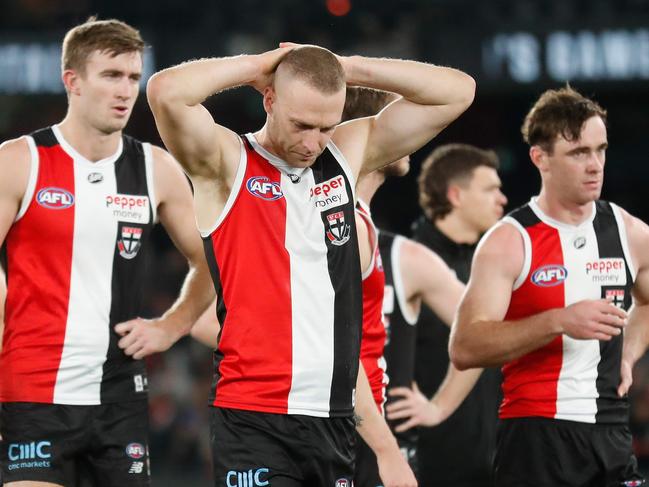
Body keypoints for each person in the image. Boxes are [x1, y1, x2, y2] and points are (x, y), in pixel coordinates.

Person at [147, 42, 475, 486]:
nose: (312, 143)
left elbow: (458, 91)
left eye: (326, 127)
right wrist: (258, 65)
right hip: (255, 416)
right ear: (270, 99)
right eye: (301, 125)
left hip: (334, 420)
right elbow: (166, 91)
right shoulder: (226, 162)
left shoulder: (343, 154)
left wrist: (349, 67)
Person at [0, 18, 214, 487]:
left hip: (119, 394)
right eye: (111, 76)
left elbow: (211, 261)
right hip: (34, 391)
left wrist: (171, 326)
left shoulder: (156, 168)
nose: (125, 91)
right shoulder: (18, 162)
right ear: (72, 81)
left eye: (133, 78)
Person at [450, 86, 649, 487]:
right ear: (540, 159)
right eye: (579, 153)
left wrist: (628, 355)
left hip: (610, 429)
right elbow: (465, 347)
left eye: (601, 149)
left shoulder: (630, 232)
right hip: (535, 438)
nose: (595, 165)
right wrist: (557, 320)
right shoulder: (509, 240)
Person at [341, 87, 472, 483]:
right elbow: (338, 353)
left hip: (371, 437)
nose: (414, 137)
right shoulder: (334, 224)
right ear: (373, 132)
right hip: (338, 434)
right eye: (403, 125)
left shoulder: (383, 240)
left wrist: (437, 407)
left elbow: (479, 332)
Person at [406, 143, 507, 486]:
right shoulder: (408, 264)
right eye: (491, 189)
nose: (502, 199)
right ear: (456, 195)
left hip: (492, 462)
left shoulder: (492, 267)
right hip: (429, 464)